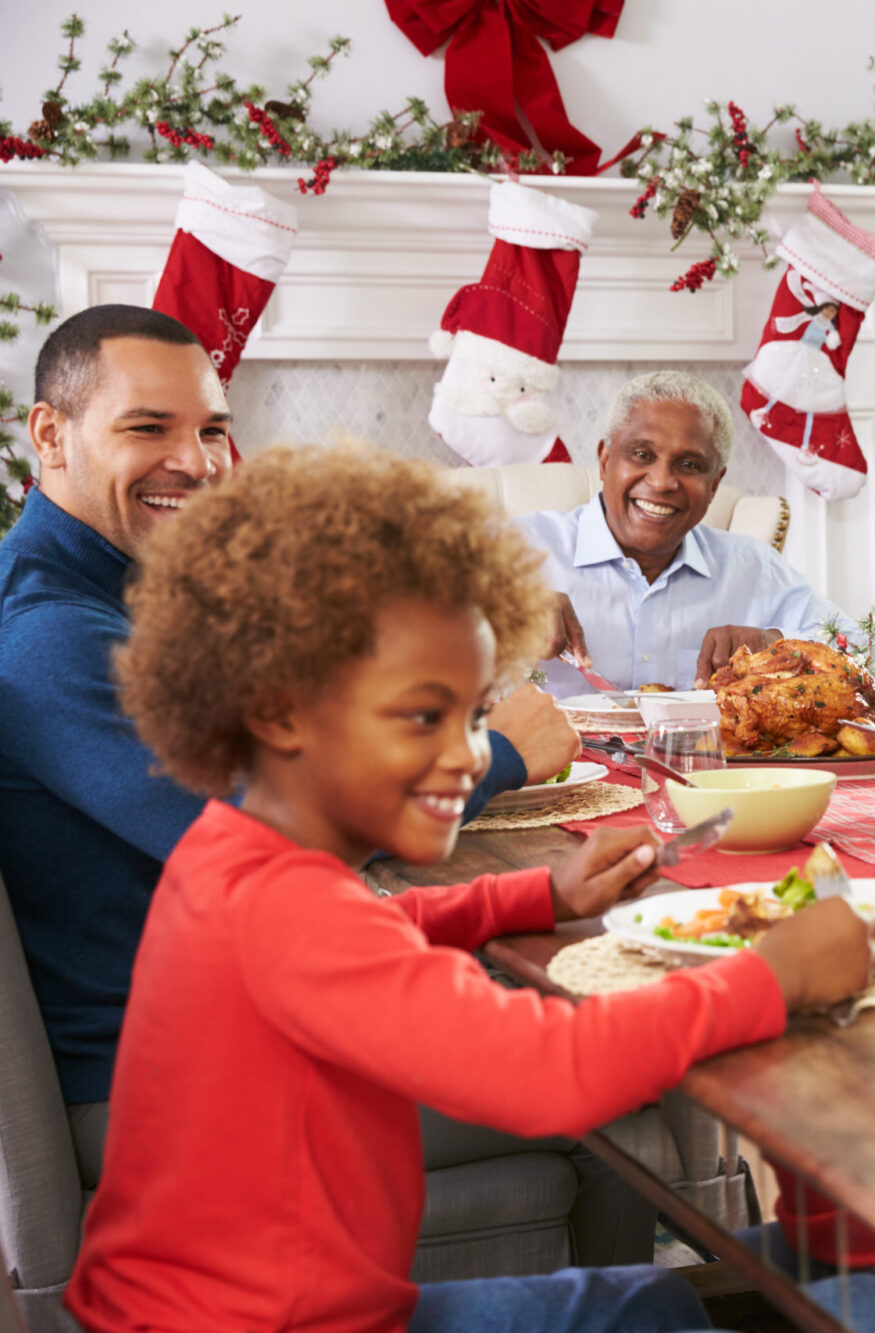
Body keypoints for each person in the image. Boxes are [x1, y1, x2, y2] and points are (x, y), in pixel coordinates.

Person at [65, 441, 873, 1332]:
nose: (471, 754)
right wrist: (778, 975)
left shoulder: (236, 854)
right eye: (422, 716)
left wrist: (533, 897)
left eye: (475, 713)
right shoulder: (287, 910)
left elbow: (382, 923)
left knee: (651, 1300)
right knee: (649, 1313)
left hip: (220, 1309)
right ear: (277, 711)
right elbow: (553, 1072)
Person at [0, 304, 671, 1265]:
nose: (196, 462)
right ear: (51, 435)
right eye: (148, 428)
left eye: (214, 429)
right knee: (620, 1069)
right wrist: (500, 751)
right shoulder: (51, 637)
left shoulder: (111, 595)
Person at [524, 370, 859, 694]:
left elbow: (869, 651)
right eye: (642, 455)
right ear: (604, 460)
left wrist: (777, 644)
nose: (662, 482)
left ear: (714, 485)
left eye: (689, 465)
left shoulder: (754, 569)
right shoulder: (516, 549)